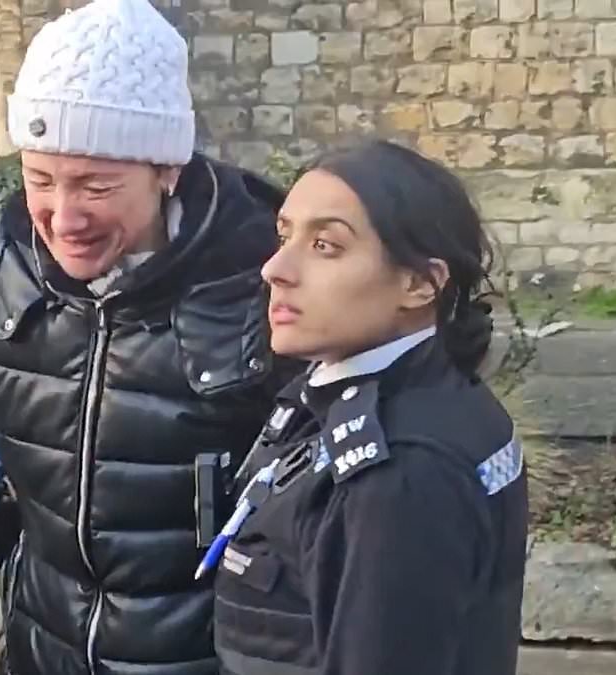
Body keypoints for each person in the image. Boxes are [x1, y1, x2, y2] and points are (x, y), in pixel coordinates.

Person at [0, 0, 299, 673]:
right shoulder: (0, 276)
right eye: (39, 179)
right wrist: (14, 548)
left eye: (95, 185)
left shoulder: (264, 277)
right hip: (42, 652)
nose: (63, 217)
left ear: (166, 169)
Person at [208, 139, 527, 675]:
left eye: (325, 246)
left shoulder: (401, 470)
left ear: (420, 283)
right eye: (285, 235)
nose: (275, 268)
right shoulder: (374, 391)